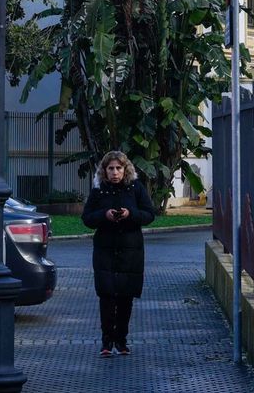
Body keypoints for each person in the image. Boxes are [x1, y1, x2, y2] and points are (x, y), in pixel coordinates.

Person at [81, 150, 155, 357]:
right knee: (106, 296)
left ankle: (121, 341)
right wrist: (104, 216)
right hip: (105, 250)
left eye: (118, 168)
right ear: (105, 171)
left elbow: (149, 214)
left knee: (125, 297)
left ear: (125, 169)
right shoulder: (99, 190)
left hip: (130, 251)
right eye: (111, 168)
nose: (115, 172)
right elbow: (87, 218)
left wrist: (130, 215)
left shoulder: (136, 188)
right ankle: (106, 342)